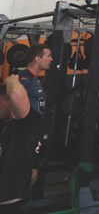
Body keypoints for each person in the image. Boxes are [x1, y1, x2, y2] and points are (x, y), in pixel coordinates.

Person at [0, 43, 53, 212]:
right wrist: (11, 80)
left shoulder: (35, 82)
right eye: (48, 56)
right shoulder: (24, 79)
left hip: (29, 133)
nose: (51, 59)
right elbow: (15, 94)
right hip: (23, 130)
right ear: (37, 59)